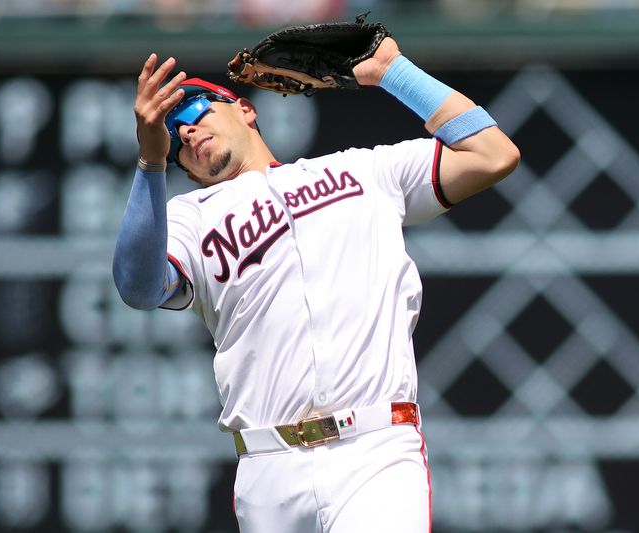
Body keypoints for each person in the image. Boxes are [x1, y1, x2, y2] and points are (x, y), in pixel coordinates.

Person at [113, 36, 519, 533]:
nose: (187, 132)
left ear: (244, 108)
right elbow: (137, 286)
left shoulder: (364, 170)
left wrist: (393, 72)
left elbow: (492, 154)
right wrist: (151, 161)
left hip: (373, 450)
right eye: (174, 140)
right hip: (268, 466)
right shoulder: (187, 218)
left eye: (195, 110)